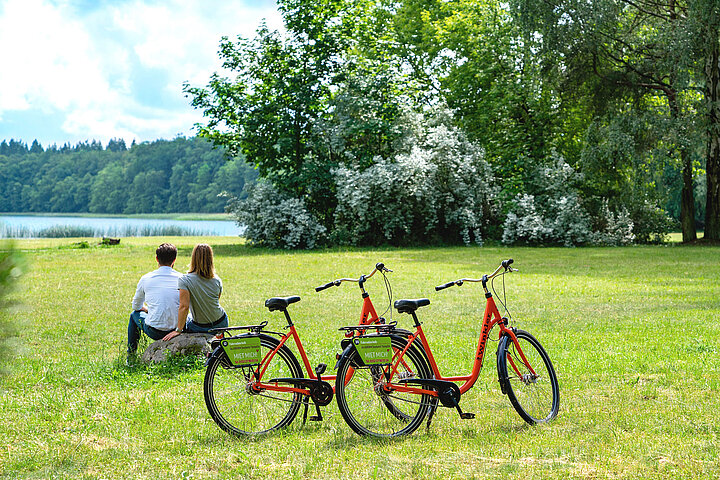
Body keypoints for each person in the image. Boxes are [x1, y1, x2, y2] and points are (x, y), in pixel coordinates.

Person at [163, 243, 228, 341]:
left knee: (188, 319)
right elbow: (214, 301)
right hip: (221, 321)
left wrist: (178, 330)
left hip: (200, 327)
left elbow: (184, 307)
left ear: (193, 258)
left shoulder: (185, 280)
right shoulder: (217, 280)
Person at [127, 243, 184, 356]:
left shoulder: (146, 278)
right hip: (177, 328)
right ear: (174, 259)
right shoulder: (182, 278)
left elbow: (136, 306)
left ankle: (131, 354)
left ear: (157, 259)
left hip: (155, 331)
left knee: (134, 315)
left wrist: (146, 309)